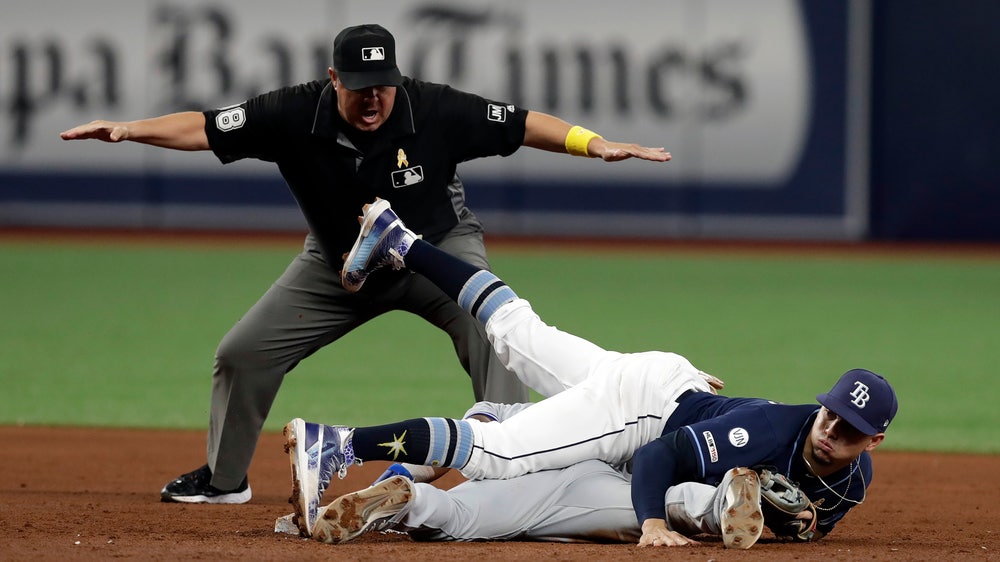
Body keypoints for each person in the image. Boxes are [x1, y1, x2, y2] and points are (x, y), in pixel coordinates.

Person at [59, 23, 674, 504]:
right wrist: (129, 129)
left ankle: (510, 475)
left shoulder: (433, 108)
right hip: (337, 267)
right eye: (359, 85)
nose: (374, 96)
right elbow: (205, 127)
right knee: (242, 353)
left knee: (496, 332)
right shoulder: (293, 113)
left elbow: (519, 123)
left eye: (383, 84)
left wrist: (592, 144)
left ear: (397, 77)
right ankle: (225, 482)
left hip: (435, 254)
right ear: (333, 79)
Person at [281, 199, 899, 546]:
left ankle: (399, 238)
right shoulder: (773, 432)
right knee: (497, 454)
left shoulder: (854, 479)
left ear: (871, 442)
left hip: (661, 383)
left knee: (518, 334)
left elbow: (818, 514)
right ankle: (337, 443)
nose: (829, 431)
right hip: (642, 413)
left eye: (847, 431)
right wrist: (653, 524)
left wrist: (805, 528)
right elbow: (661, 456)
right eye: (830, 414)